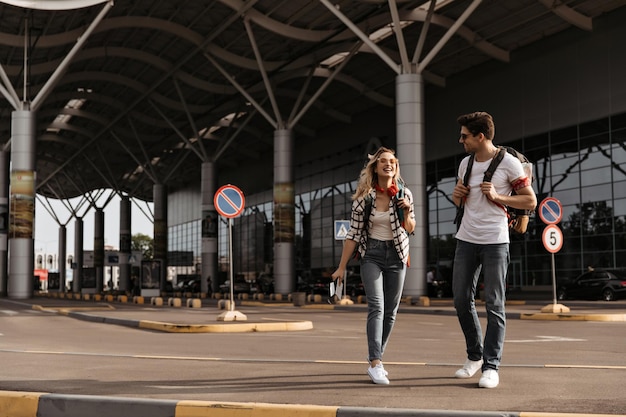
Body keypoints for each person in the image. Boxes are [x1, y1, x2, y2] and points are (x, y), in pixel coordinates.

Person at [451, 112, 537, 388]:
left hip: (495, 241)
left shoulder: (509, 163)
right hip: (466, 238)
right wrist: (457, 197)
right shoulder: (465, 163)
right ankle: (475, 356)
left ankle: (491, 366)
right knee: (461, 300)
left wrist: (498, 196)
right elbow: (462, 201)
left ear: (480, 136)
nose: (460, 139)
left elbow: (530, 201)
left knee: (494, 305)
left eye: (465, 135)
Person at [331, 146, 416, 385]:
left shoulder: (404, 194)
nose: (388, 164)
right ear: (375, 168)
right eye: (383, 162)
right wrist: (341, 267)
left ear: (396, 167)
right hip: (372, 255)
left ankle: (377, 356)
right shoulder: (362, 199)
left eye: (392, 161)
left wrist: (407, 213)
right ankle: (375, 362)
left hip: (398, 255)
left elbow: (411, 229)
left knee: (390, 312)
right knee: (377, 307)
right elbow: (354, 235)